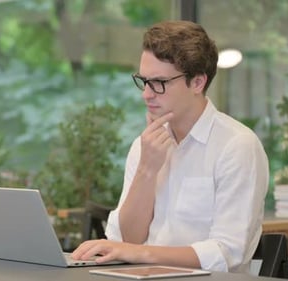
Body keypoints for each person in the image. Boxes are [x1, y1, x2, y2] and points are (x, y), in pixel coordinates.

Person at [71, 20, 269, 273]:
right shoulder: (145, 144)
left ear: (197, 83)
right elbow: (127, 240)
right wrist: (147, 168)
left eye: (159, 83)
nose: (146, 94)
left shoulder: (237, 146)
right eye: (144, 81)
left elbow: (228, 253)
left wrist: (140, 254)